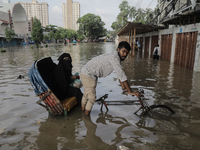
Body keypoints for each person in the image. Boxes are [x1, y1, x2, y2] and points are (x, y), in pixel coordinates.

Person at [80, 41, 140, 115]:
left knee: (86, 94)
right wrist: (130, 91)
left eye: (127, 53)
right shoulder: (114, 57)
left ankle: (82, 113)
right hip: (88, 74)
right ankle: (86, 119)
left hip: (87, 72)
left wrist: (124, 88)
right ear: (118, 49)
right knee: (92, 98)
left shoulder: (116, 56)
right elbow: (122, 75)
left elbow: (119, 74)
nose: (125, 54)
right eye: (123, 51)